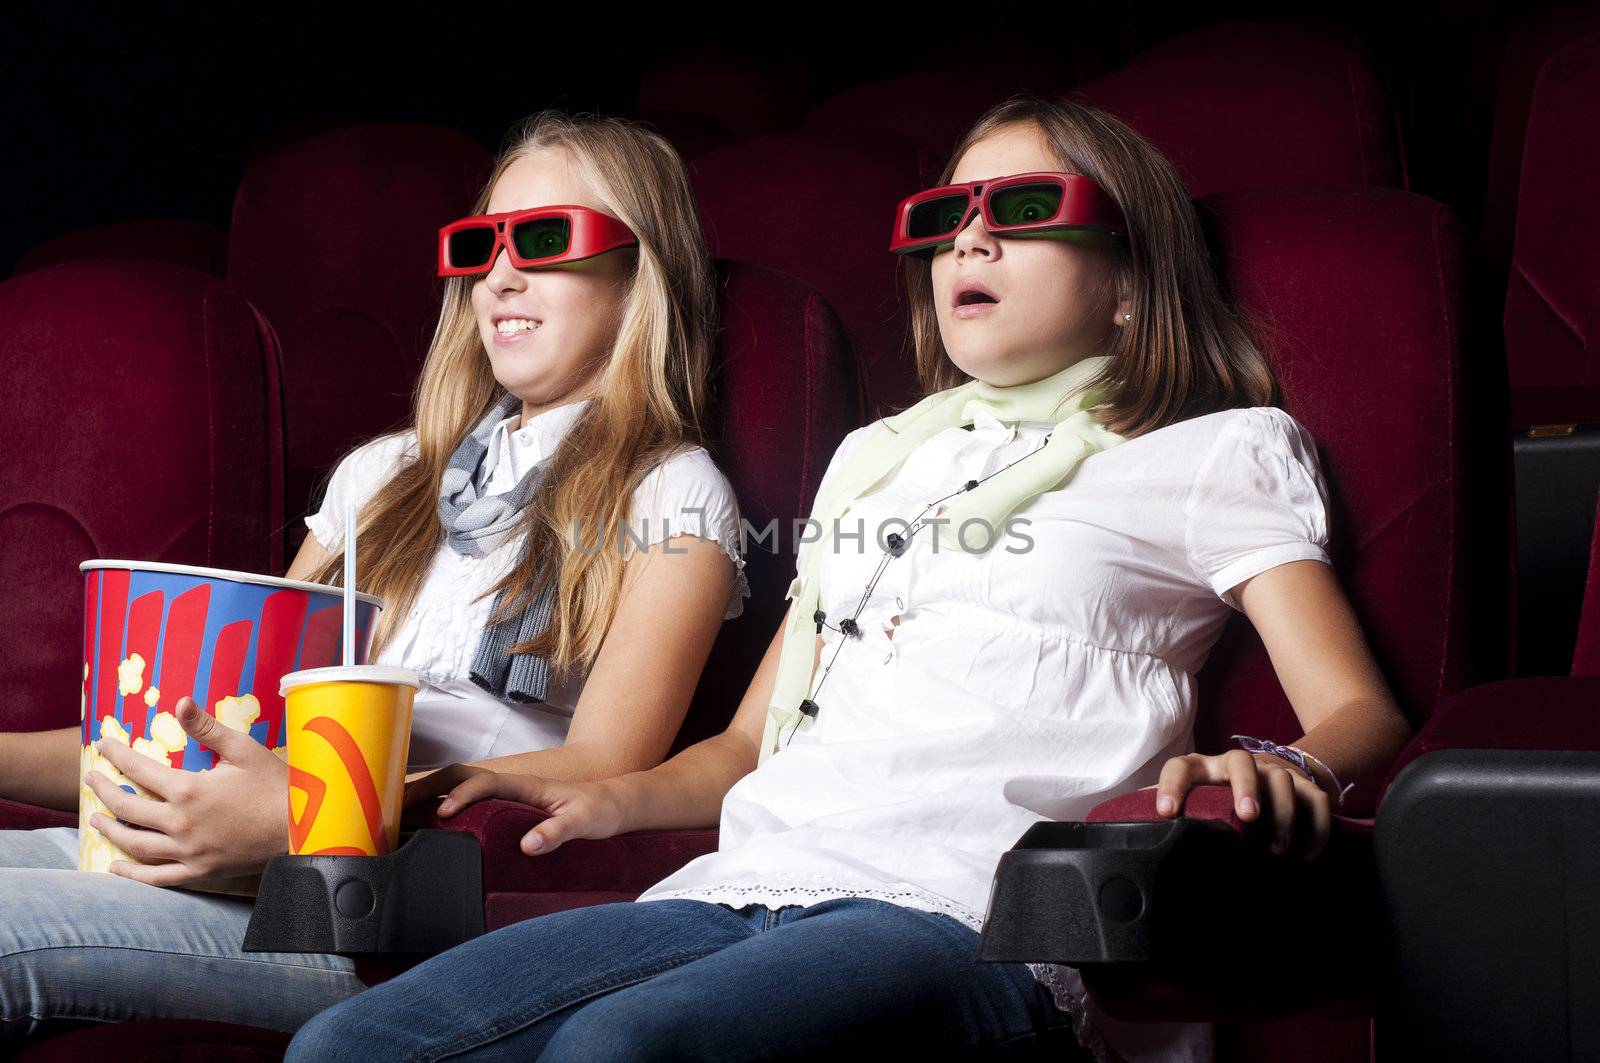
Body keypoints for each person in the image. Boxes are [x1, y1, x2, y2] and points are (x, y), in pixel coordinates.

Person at [284, 95, 1415, 1063]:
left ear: (1130, 285)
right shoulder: (878, 465)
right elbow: (746, 747)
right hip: (749, 877)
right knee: (350, 1042)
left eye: (1022, 213)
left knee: (621, 1048)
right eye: (945, 221)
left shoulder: (1209, 451)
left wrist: (1280, 766)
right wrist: (608, 797)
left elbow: (1359, 711)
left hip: (965, 907)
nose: (967, 244)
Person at [0, 110, 749, 1037]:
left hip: (374, 905)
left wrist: (312, 813)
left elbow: (604, 769)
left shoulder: (673, 491)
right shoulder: (385, 473)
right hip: (234, 843)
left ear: (643, 273)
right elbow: (210, 722)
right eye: (480, 245)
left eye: (547, 239)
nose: (500, 275)